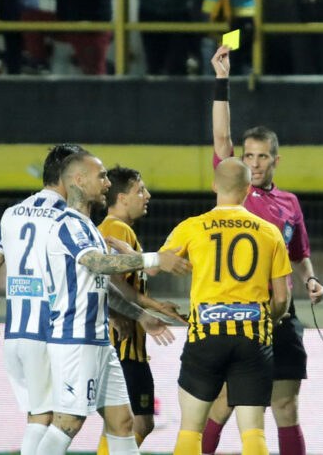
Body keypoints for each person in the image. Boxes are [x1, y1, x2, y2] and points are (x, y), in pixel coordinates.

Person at [202, 45, 323, 455]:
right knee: (225, 401)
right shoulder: (236, 190)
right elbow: (221, 137)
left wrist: (311, 280)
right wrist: (222, 80)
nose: (253, 163)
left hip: (281, 314)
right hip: (239, 313)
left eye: (261, 157)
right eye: (248, 156)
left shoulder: (290, 203)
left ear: (276, 159)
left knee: (286, 406)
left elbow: (300, 254)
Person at [36, 151, 191, 455]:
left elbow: (103, 285)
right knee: (69, 422)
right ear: (79, 180)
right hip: (75, 340)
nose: (107, 183)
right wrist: (154, 259)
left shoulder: (89, 227)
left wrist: (140, 315)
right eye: (101, 176)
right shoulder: (68, 225)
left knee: (123, 422)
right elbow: (98, 263)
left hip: (99, 343)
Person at [160, 157, 292, 455]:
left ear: (213, 186)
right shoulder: (270, 232)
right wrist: (266, 320)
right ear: (247, 189)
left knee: (190, 430)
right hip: (253, 337)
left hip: (205, 334)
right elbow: (282, 299)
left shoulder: (192, 227)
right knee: (254, 433)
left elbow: (156, 266)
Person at [0, 143, 84, 455]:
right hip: (47, 332)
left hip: (16, 333)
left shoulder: (12, 213)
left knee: (39, 413)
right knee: (46, 417)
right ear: (69, 177)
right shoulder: (66, 218)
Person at [95, 166, 186, 453]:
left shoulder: (120, 230)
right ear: (122, 198)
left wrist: (156, 308)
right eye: (140, 190)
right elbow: (109, 281)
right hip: (120, 345)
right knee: (134, 422)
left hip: (128, 345)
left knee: (132, 422)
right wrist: (129, 314)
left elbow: (124, 285)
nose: (147, 196)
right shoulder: (116, 229)